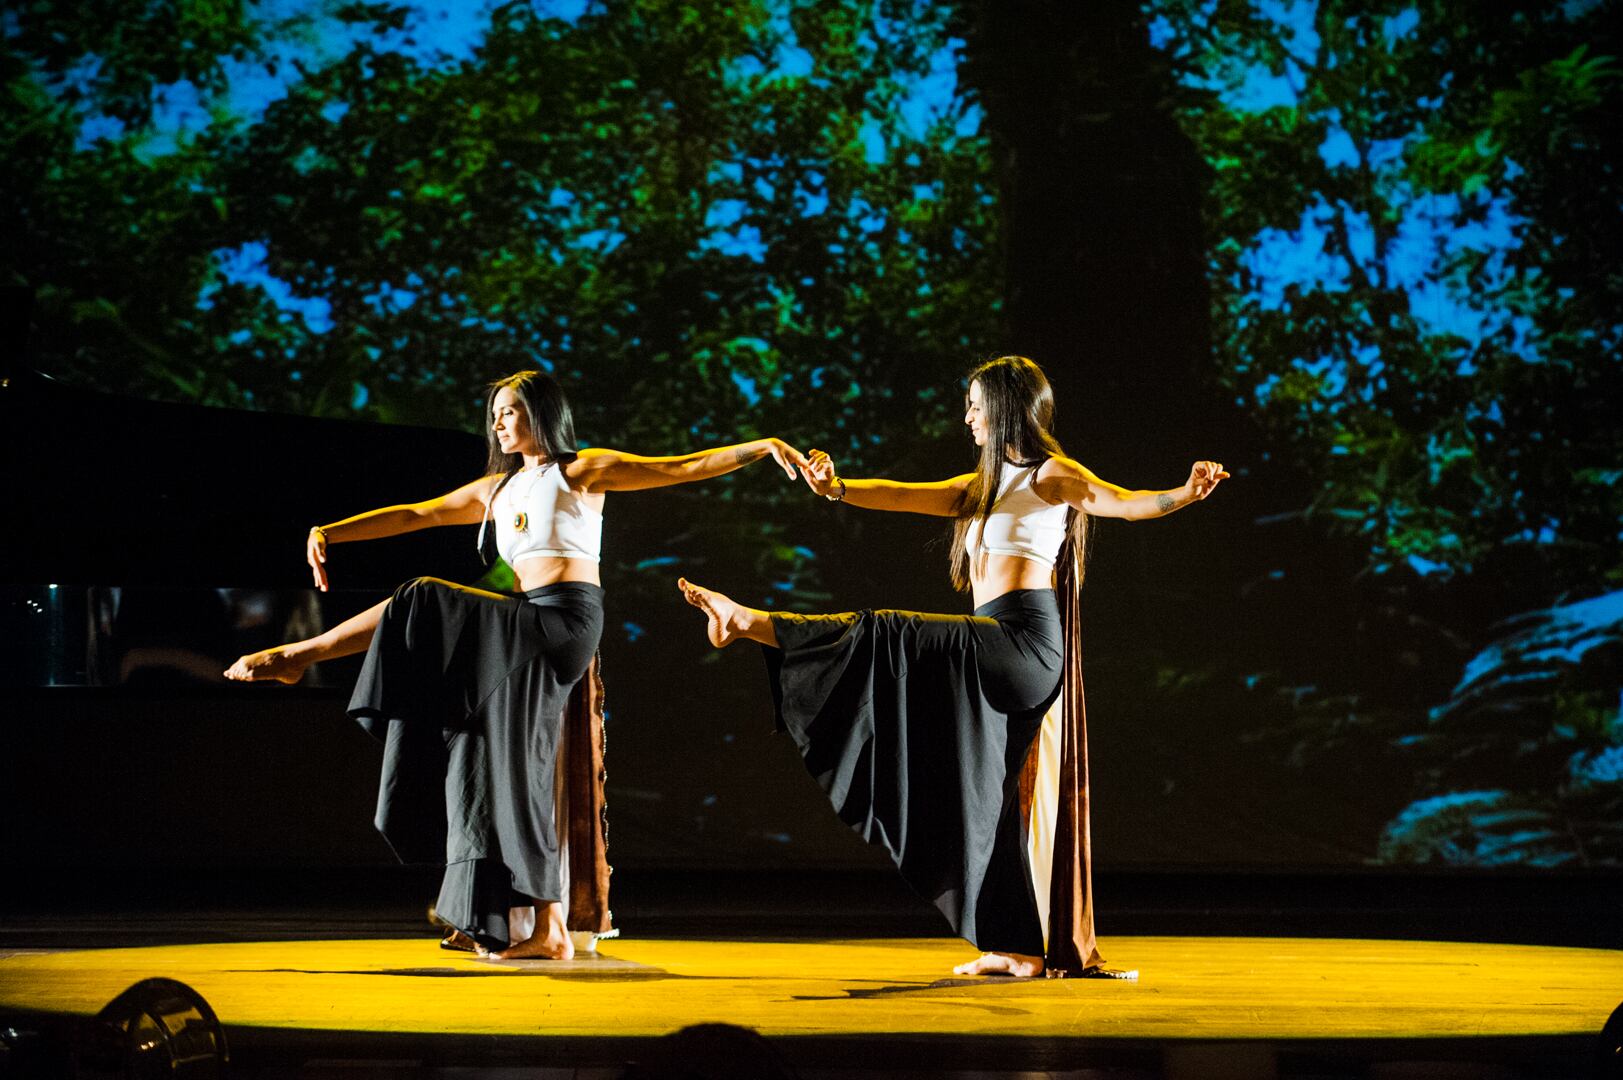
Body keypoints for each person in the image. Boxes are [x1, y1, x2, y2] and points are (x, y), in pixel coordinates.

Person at [225, 369, 807, 960]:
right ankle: (521, 919)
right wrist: (329, 532)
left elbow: (677, 467)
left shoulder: (581, 470)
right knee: (482, 753)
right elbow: (417, 515)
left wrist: (758, 447)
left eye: (510, 412)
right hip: (520, 619)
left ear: (541, 414)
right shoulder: (495, 491)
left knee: (422, 598)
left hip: (562, 622)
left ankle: (301, 654)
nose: (499, 423)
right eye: (496, 414)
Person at [678, 355, 1226, 977]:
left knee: (889, 632)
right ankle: (1014, 945)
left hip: (1024, 644)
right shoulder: (979, 490)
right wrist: (835, 486)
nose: (966, 416)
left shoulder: (1051, 475)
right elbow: (903, 496)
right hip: (998, 645)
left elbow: (1119, 502)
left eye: (973, 404)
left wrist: (1183, 493)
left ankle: (749, 622)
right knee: (981, 793)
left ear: (1003, 406)